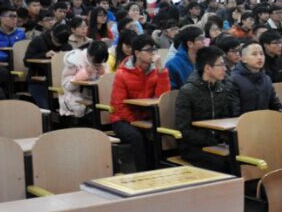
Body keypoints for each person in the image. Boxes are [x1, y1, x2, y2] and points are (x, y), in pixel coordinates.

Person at [110, 34, 170, 171]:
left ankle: (157, 171)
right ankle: (142, 172)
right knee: (137, 136)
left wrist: (161, 71)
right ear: (137, 53)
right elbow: (118, 106)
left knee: (160, 133)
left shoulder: (155, 71)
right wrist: (135, 122)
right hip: (123, 119)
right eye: (148, 50)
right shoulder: (122, 73)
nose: (152, 53)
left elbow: (162, 97)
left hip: (146, 117)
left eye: (154, 49)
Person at [175, 46, 234, 172]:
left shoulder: (221, 89)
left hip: (217, 143)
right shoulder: (187, 91)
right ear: (207, 68)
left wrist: (223, 140)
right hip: (192, 147)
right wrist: (211, 140)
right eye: (220, 65)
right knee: (220, 163)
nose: (225, 69)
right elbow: (183, 129)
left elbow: (226, 119)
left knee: (238, 159)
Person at [24, 24, 72, 108]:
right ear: (52, 34)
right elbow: (26, 61)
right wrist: (44, 55)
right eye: (56, 42)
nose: (57, 45)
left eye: (60, 44)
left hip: (61, 81)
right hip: (39, 81)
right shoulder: (38, 41)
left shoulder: (66, 46)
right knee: (46, 107)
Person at [228, 42, 282, 115]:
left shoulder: (266, 79)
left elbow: (276, 105)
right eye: (254, 54)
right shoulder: (233, 79)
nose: (259, 57)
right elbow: (234, 111)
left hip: (263, 119)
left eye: (262, 54)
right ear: (243, 59)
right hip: (243, 121)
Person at [59, 41, 109, 120]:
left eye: (100, 62)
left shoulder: (101, 61)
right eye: (95, 62)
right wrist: (85, 73)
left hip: (95, 98)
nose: (97, 64)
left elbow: (107, 84)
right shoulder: (75, 61)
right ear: (89, 54)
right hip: (74, 99)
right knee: (97, 116)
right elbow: (67, 86)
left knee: (108, 111)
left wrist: (103, 73)